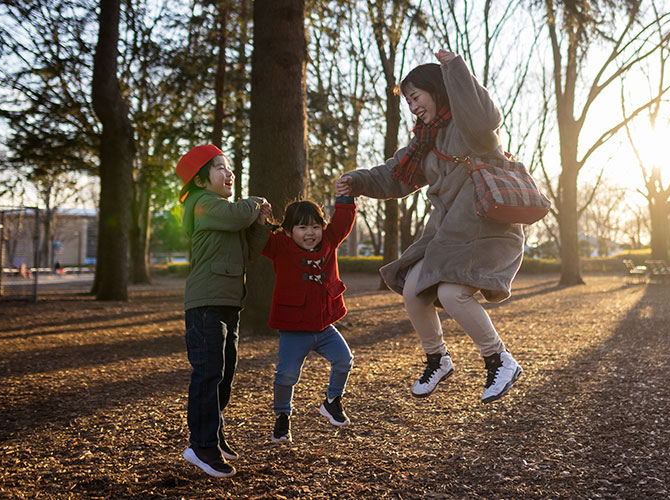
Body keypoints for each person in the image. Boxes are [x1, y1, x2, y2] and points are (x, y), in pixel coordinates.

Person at [335, 49, 523, 404]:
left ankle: (499, 359)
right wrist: (356, 181)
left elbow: (485, 116)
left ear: (436, 90)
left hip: (487, 230)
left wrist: (455, 69)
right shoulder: (426, 143)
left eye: (416, 96)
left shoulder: (471, 128)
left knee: (453, 293)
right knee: (413, 290)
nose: (412, 106)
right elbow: (393, 176)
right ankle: (438, 358)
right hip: (449, 233)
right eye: (407, 101)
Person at [176, 144, 272, 478]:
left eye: (229, 167)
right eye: (219, 167)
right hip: (205, 302)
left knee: (224, 373)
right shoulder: (203, 204)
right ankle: (200, 447)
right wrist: (256, 201)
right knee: (208, 373)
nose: (228, 172)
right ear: (201, 181)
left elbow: (249, 251)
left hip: (229, 301)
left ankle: (212, 434)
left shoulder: (227, 212)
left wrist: (260, 222)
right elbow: (236, 217)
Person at [261, 196, 356, 443]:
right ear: (289, 231)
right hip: (294, 329)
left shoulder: (329, 242)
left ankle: (332, 401)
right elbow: (260, 239)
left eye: (315, 226)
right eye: (302, 227)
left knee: (344, 360)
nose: (310, 233)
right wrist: (259, 216)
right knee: (286, 375)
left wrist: (345, 198)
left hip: (325, 326)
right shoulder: (280, 247)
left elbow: (343, 223)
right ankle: (282, 417)